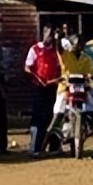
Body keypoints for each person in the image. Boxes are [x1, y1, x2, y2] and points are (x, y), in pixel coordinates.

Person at [57, 34, 93, 156]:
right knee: (57, 114)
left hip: (82, 91)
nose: (80, 47)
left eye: (81, 44)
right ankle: (45, 144)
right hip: (65, 90)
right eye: (77, 44)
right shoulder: (65, 55)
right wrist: (58, 37)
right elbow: (58, 48)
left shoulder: (86, 58)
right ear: (71, 45)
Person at [24, 26, 62, 157]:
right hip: (39, 88)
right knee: (39, 117)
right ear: (43, 34)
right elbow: (27, 67)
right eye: (48, 34)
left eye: (52, 35)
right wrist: (38, 78)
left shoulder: (56, 51)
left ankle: (54, 146)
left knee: (53, 116)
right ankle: (35, 147)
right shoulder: (35, 49)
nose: (50, 37)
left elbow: (60, 67)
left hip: (53, 88)